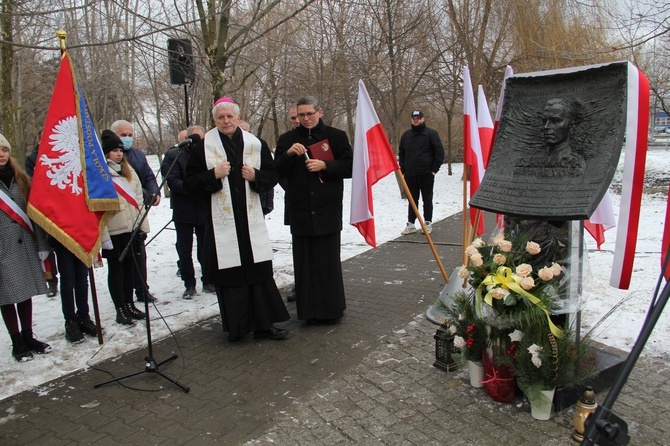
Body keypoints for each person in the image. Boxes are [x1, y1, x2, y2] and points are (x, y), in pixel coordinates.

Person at [184, 97, 289, 342]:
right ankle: (237, 328)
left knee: (258, 273)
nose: (226, 121)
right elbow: (189, 184)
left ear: (238, 118)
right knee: (230, 276)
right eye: (221, 117)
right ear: (214, 120)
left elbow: (273, 176)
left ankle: (264, 326)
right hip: (222, 226)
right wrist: (213, 174)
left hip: (251, 222)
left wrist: (256, 176)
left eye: (230, 116)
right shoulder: (202, 148)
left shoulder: (256, 143)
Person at [274, 96, 353, 325]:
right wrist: (288, 156)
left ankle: (332, 310)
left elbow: (349, 166)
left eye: (310, 113)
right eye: (301, 115)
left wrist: (325, 165)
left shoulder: (336, 136)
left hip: (327, 209)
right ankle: (307, 311)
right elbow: (276, 171)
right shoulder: (287, 139)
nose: (306, 119)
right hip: (300, 211)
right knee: (305, 263)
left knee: (328, 262)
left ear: (320, 112)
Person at [0, 133, 52, 361]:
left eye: (4, 150)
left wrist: (42, 244)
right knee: (6, 296)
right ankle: (16, 341)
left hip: (24, 245)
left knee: (25, 294)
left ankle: (28, 335)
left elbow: (34, 213)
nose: (1, 155)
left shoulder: (21, 178)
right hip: (3, 249)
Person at [100, 130, 150, 325]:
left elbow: (138, 199)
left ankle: (129, 304)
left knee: (130, 269)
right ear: (106, 153)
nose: (119, 154)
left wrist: (142, 226)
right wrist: (104, 237)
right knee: (117, 271)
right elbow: (100, 210)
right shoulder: (102, 175)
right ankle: (120, 308)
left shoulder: (128, 171)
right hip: (114, 231)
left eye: (120, 150)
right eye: (114, 150)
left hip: (131, 229)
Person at [161, 125, 214, 299]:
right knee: (184, 250)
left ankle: (208, 280)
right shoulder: (174, 156)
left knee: (206, 247)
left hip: (203, 208)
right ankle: (189, 284)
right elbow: (173, 181)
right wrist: (193, 187)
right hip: (184, 208)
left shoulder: (208, 154)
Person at [111, 119, 160, 303]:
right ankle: (124, 296)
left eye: (130, 135)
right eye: (123, 135)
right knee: (122, 258)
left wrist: (154, 191)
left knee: (140, 254)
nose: (127, 139)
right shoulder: (105, 157)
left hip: (137, 211)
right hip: (119, 215)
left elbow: (148, 176)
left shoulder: (138, 156)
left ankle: (142, 289)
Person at [398, 109, 444, 235]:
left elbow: (439, 152)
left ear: (423, 119)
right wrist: (403, 169)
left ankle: (427, 222)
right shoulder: (406, 135)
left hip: (426, 174)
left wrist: (434, 169)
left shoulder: (431, 133)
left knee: (427, 199)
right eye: (414, 118)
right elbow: (401, 153)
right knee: (412, 200)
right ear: (411, 120)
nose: (416, 120)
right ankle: (411, 223)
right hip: (410, 174)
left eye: (418, 118)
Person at [25, 129, 59, 298]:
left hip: (60, 207)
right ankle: (52, 281)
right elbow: (32, 182)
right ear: (39, 141)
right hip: (44, 207)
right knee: (48, 247)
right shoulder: (32, 159)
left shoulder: (59, 156)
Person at [541, 97, 586, 176]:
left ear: (571, 124)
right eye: (545, 121)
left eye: (555, 121)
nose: (546, 126)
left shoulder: (576, 160)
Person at [282, 106, 300, 302]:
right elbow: (278, 170)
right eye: (293, 117)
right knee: (299, 248)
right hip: (295, 202)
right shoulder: (286, 139)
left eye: (300, 116)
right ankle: (299, 284)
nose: (296, 120)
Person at [239, 120, 274, 216]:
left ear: (250, 132)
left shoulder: (260, 145)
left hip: (257, 199)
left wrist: (255, 176)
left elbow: (270, 175)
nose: (242, 133)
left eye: (244, 130)